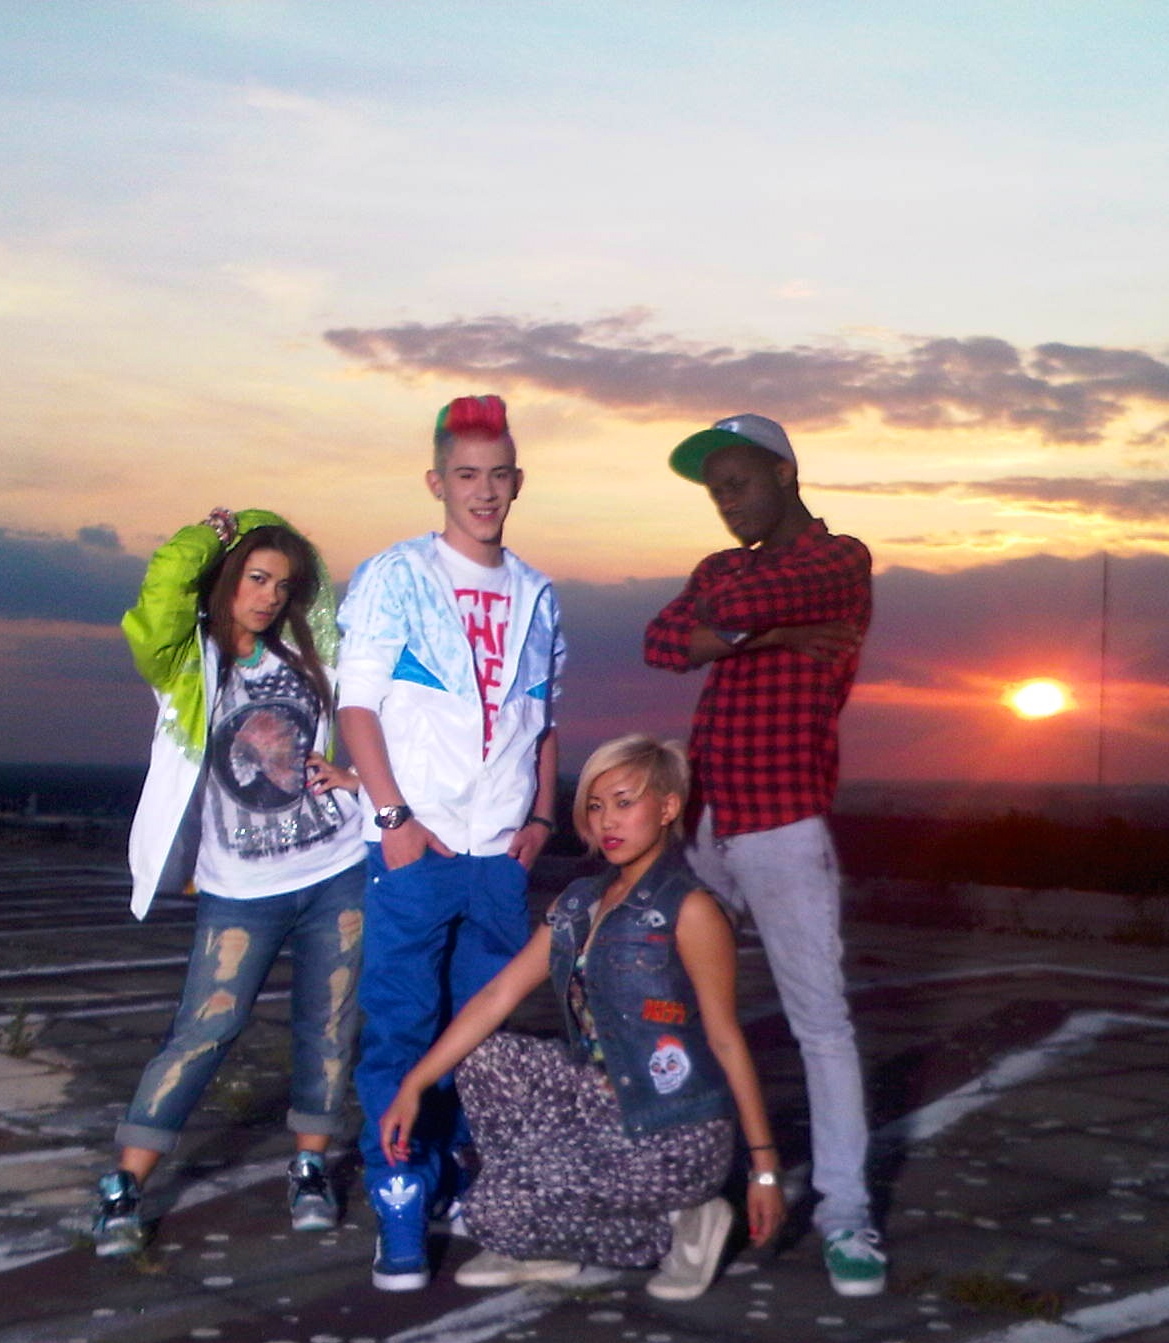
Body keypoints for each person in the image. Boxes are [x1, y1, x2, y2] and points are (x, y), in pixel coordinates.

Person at [380, 734, 786, 1301]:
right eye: (595, 806)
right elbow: (497, 995)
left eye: (625, 802)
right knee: (488, 1057)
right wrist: (415, 1085)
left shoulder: (690, 909)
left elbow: (725, 1039)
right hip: (603, 1105)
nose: (606, 821)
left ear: (668, 808)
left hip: (676, 1129)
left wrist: (764, 1168)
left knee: (490, 1212)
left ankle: (688, 1221)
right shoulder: (579, 901)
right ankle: (544, 1223)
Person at [644, 414, 886, 1297]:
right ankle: (690, 1192)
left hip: (783, 823)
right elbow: (660, 642)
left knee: (819, 1023)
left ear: (784, 472)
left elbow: (723, 617)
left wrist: (738, 620)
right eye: (715, 492)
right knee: (674, 1012)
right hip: (706, 824)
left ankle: (845, 1213)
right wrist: (781, 635)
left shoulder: (840, 557)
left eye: (738, 483)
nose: (726, 502)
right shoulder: (722, 566)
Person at [91, 508, 367, 1257]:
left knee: (330, 1025)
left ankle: (309, 1167)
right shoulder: (189, 665)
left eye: (282, 584)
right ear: (226, 578)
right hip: (239, 887)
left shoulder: (313, 657)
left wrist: (355, 779)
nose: (270, 595)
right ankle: (124, 1185)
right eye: (255, 577)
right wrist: (217, 533)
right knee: (206, 1027)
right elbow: (156, 603)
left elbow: (372, 711)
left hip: (337, 871)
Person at [336, 394, 566, 1291]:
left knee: (483, 1033)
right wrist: (394, 820)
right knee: (401, 1025)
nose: (483, 490)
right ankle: (399, 1194)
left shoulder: (538, 593)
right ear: (437, 481)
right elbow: (357, 708)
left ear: (519, 482)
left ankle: (464, 1177)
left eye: (497, 474)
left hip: (499, 853)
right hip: (416, 847)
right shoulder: (396, 574)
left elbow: (542, 720)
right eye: (465, 474)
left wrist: (540, 821)